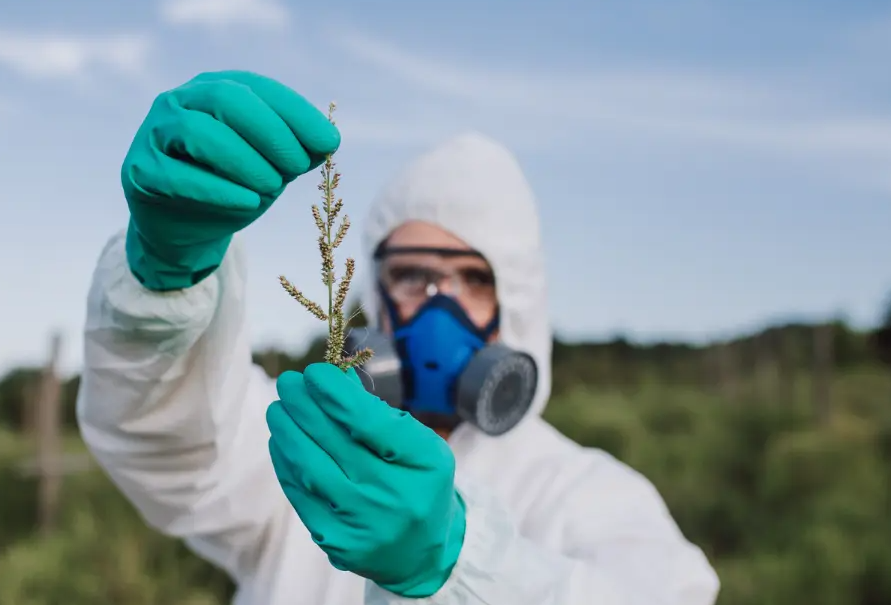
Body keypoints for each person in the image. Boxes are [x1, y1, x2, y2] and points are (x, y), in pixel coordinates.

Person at [76, 70, 720, 605]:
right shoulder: (309, 444)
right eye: (411, 274)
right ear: (376, 295)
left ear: (516, 304)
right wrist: (163, 285)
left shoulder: (583, 492)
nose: (437, 308)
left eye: (470, 278)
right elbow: (171, 450)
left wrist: (456, 563)